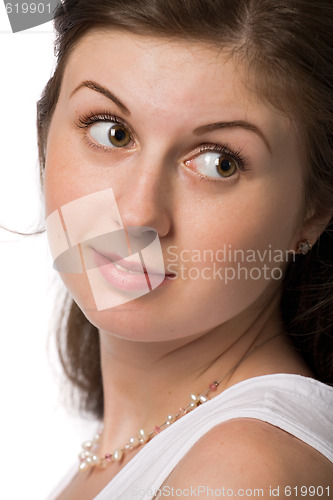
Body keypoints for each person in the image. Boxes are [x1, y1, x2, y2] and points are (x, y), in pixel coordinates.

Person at [40, 0, 333, 498]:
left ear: (312, 212)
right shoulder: (153, 444)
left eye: (220, 163)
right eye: (112, 131)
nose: (137, 215)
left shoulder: (241, 473)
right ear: (44, 138)